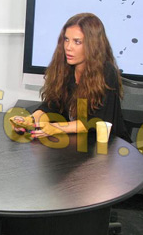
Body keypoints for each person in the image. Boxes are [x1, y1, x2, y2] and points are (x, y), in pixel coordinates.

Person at [12, 13, 130, 141]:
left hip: (107, 145)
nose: (68, 47)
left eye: (77, 42)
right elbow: (52, 106)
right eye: (66, 39)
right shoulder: (66, 68)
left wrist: (55, 128)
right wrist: (29, 121)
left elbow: (94, 122)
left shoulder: (106, 72)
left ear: (93, 45)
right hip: (76, 142)